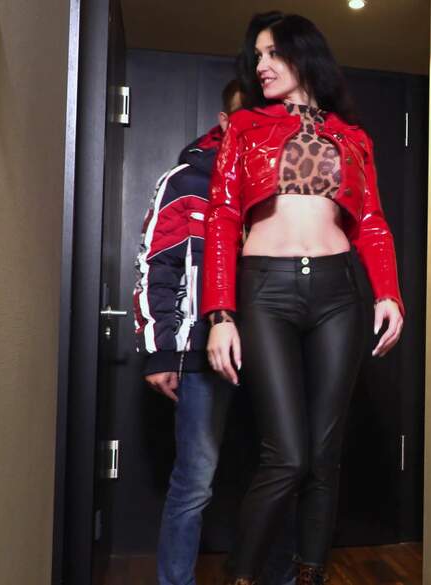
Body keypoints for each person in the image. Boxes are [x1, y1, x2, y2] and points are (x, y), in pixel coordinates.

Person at [201, 12, 405, 585]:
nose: (261, 65)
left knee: (323, 454)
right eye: (257, 56)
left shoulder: (353, 136)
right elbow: (221, 218)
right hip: (266, 290)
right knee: (286, 454)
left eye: (273, 53)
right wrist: (221, 314)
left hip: (339, 292)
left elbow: (372, 221)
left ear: (304, 54)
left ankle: (310, 575)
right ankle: (242, 577)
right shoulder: (244, 127)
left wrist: (388, 294)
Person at [134, 80, 296, 585]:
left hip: (273, 350)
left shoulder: (288, 180)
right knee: (195, 483)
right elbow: (156, 265)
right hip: (202, 353)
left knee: (282, 471)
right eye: (247, 119)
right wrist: (162, 352)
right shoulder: (186, 181)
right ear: (226, 123)